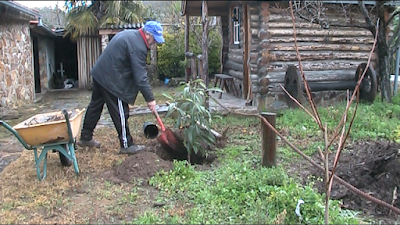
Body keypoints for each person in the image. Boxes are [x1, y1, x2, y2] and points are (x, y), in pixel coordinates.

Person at [77, 20, 165, 154]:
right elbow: (140, 76)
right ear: (147, 34)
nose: (155, 43)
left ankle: (85, 137)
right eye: (154, 39)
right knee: (121, 112)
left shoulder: (132, 36)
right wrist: (150, 99)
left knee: (95, 105)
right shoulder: (138, 46)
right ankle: (127, 144)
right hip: (111, 80)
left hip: (100, 74)